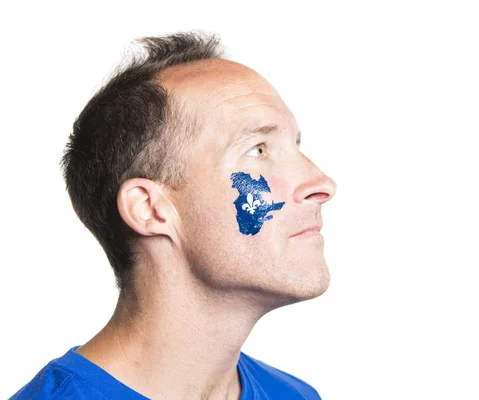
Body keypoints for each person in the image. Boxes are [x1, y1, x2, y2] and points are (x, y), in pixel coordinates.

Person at [10, 30, 336, 400]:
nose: (322, 183)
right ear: (149, 209)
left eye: (294, 145)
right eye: (258, 149)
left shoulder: (295, 395)